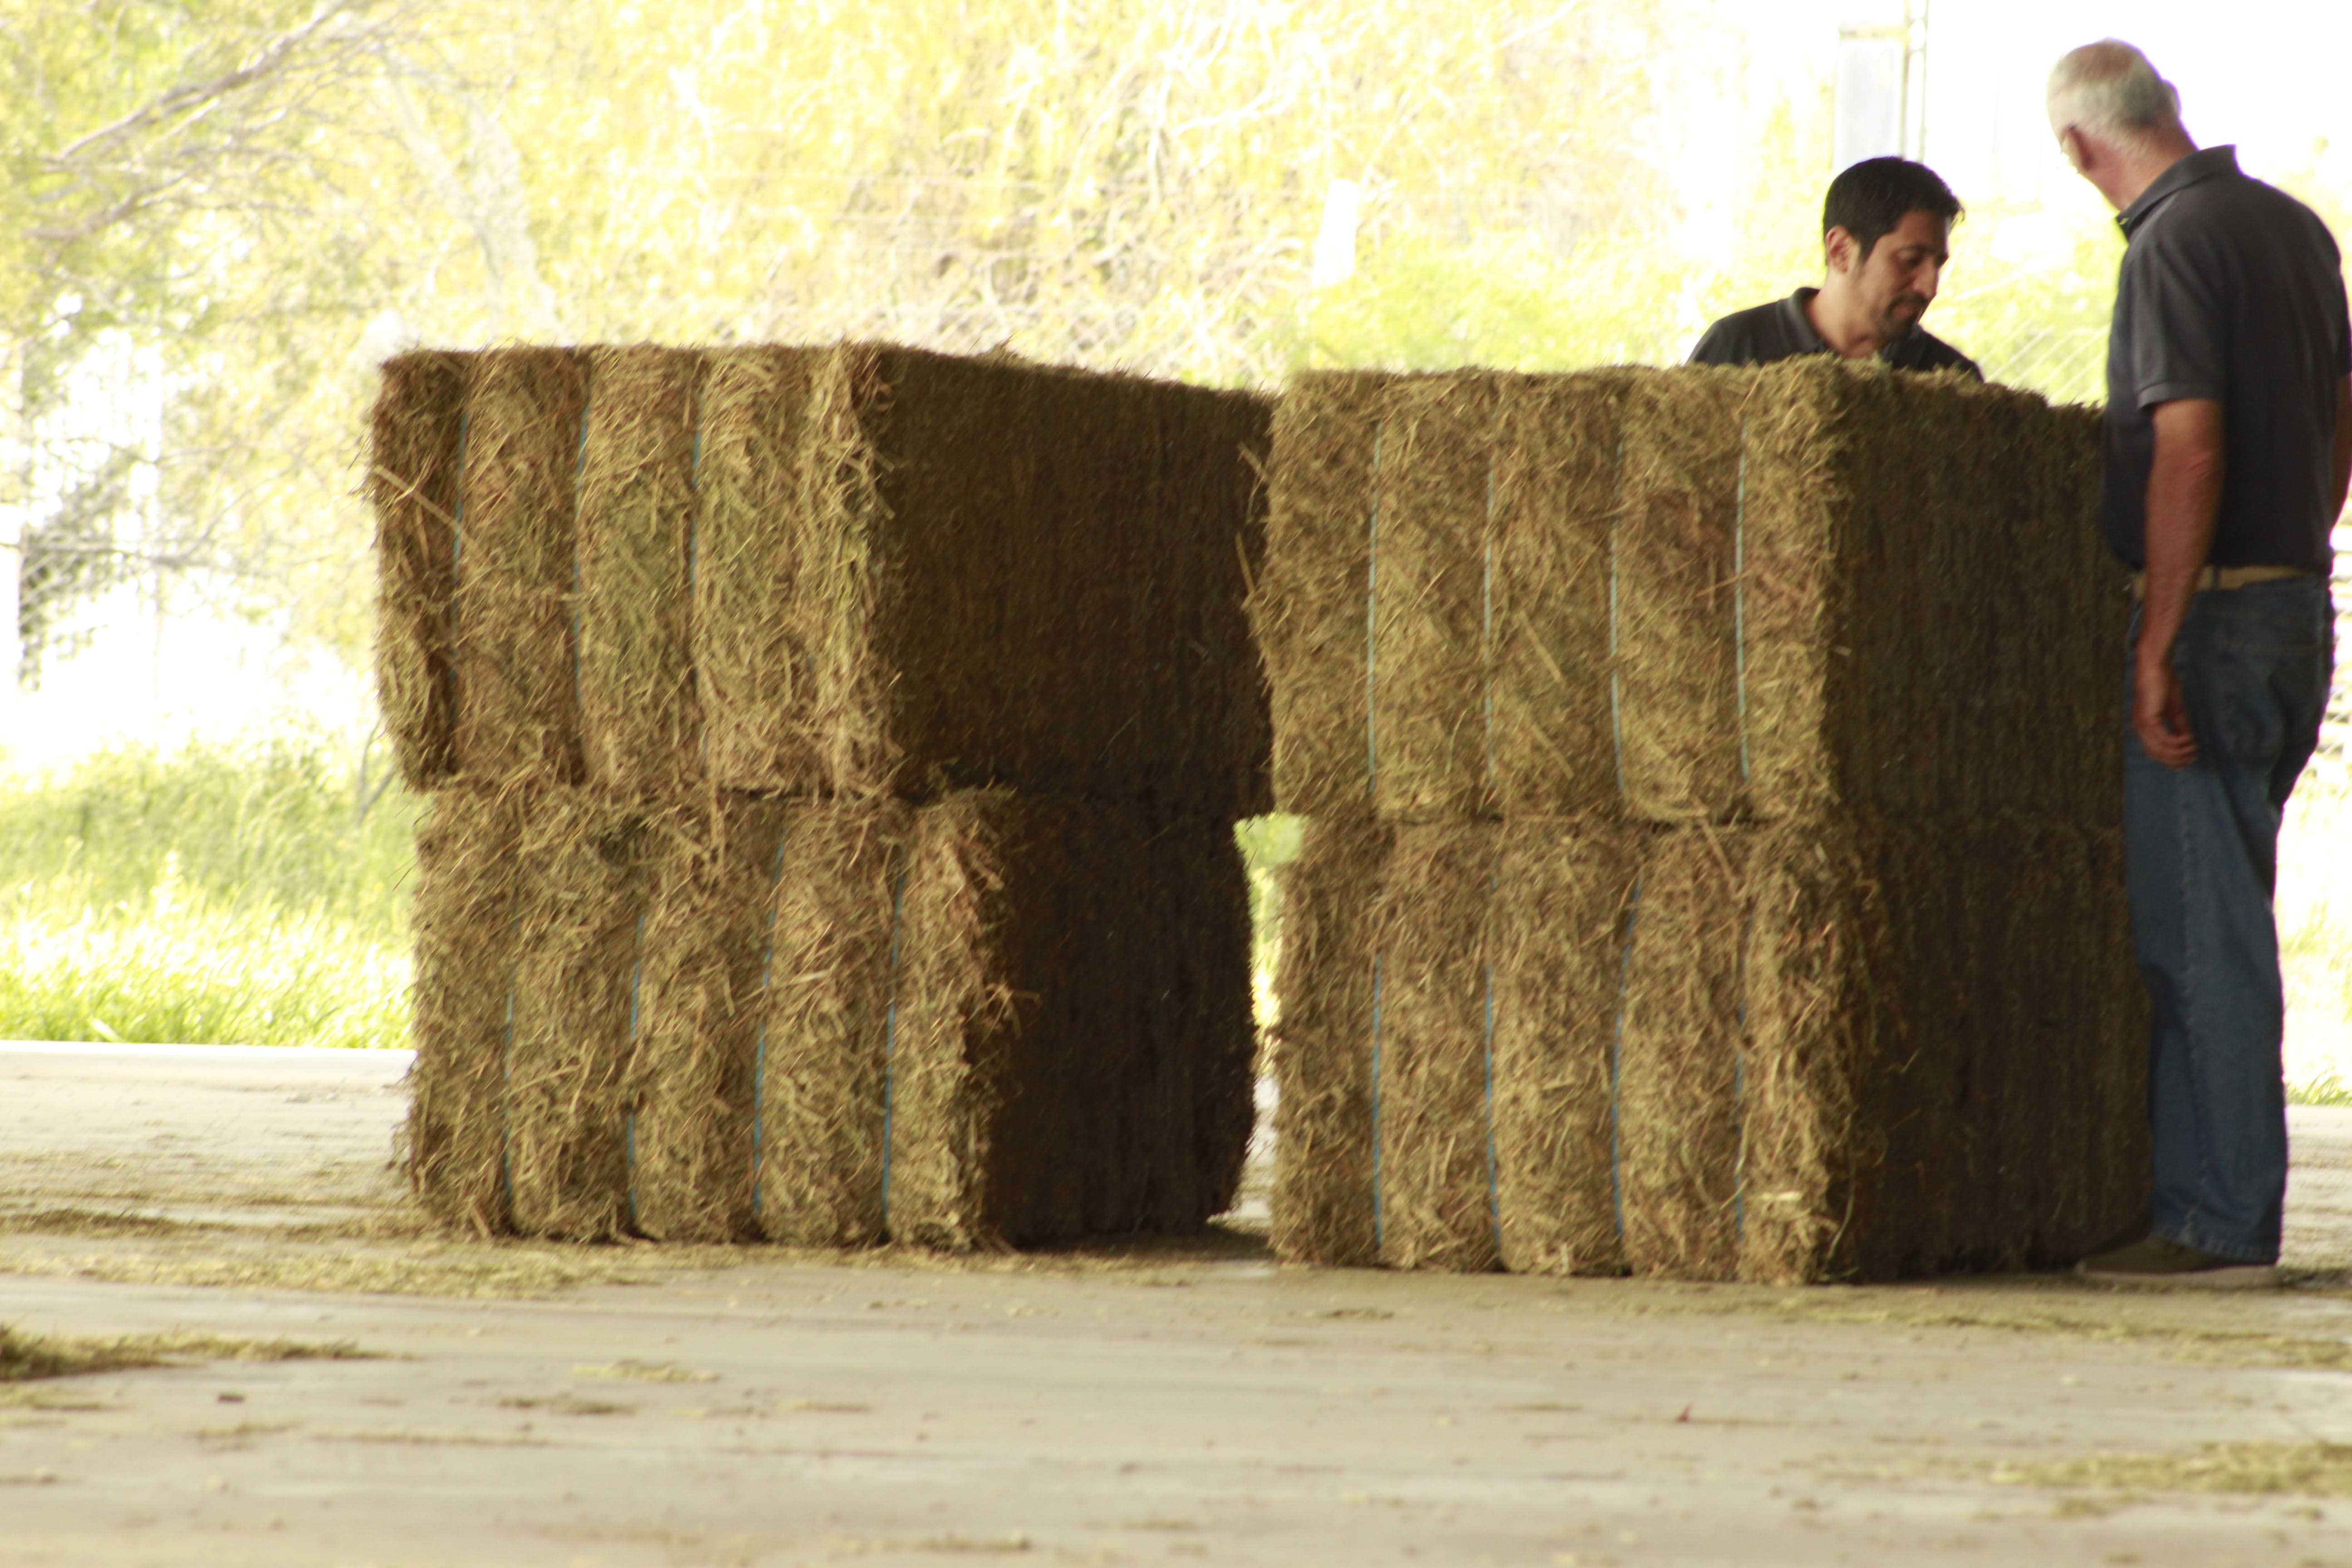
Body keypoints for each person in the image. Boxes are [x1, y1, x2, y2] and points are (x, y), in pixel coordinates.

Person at [2052, 42, 2352, 1289]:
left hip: (2219, 619)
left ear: (2081, 147)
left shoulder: (2172, 245)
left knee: (2201, 932)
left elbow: (2187, 451)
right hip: (2294, 604)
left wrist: (2163, 637)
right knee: (2228, 903)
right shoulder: (2292, 231)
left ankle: (2217, 1223)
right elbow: (2343, 413)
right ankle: (2214, 1201)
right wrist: (2304, 543)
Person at [1688, 156, 1980, 377]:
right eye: (1910, 261)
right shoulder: (1736, 348)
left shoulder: (1951, 378)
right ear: (1840, 250)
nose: (1930, 288)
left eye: (1938, 265)